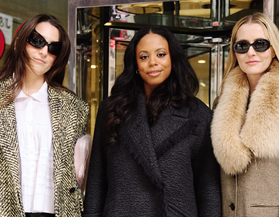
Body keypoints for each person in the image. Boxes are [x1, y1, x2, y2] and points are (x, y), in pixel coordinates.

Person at [82, 25, 221, 217]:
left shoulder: (198, 114)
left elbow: (208, 189)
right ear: (136, 65)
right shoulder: (112, 109)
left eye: (161, 54)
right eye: (144, 57)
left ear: (173, 59)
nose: (153, 62)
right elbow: (97, 182)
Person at [0, 14, 90, 216]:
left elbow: (77, 176)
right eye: (37, 41)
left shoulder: (73, 108)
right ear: (19, 42)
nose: (43, 52)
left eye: (53, 48)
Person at [211, 12, 279, 216]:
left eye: (260, 44)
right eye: (242, 46)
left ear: (273, 49)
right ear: (234, 53)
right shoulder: (221, 103)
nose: (251, 52)